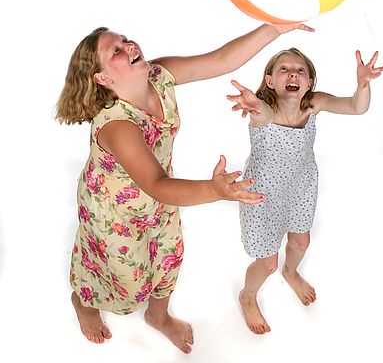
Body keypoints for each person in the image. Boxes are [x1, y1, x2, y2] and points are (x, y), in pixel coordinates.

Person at [55, 22, 313, 353]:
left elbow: (220, 60)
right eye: (116, 51)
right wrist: (216, 190)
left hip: (160, 197)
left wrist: (272, 29)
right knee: (123, 280)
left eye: (125, 40)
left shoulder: (159, 76)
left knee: (168, 255)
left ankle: (159, 317)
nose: (130, 46)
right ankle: (84, 303)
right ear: (102, 78)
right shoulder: (117, 125)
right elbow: (155, 184)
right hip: (115, 213)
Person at [226, 47, 383, 335]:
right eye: (284, 69)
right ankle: (248, 295)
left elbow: (356, 107)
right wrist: (252, 103)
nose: (293, 73)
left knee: (301, 243)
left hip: (300, 185)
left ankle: (291, 272)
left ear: (310, 82)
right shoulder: (264, 110)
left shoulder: (314, 104)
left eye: (300, 70)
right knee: (266, 264)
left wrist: (362, 85)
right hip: (262, 195)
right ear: (270, 80)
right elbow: (260, 112)